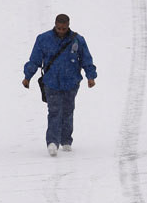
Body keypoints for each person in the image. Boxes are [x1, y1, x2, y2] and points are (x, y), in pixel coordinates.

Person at [22, 14, 97, 156]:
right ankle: (52, 142)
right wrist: (28, 77)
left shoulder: (78, 40)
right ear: (55, 25)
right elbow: (35, 60)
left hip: (71, 82)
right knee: (54, 111)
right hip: (51, 82)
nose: (61, 30)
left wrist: (90, 77)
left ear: (68, 25)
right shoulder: (43, 39)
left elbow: (86, 59)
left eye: (64, 28)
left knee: (68, 111)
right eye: (59, 28)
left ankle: (66, 140)